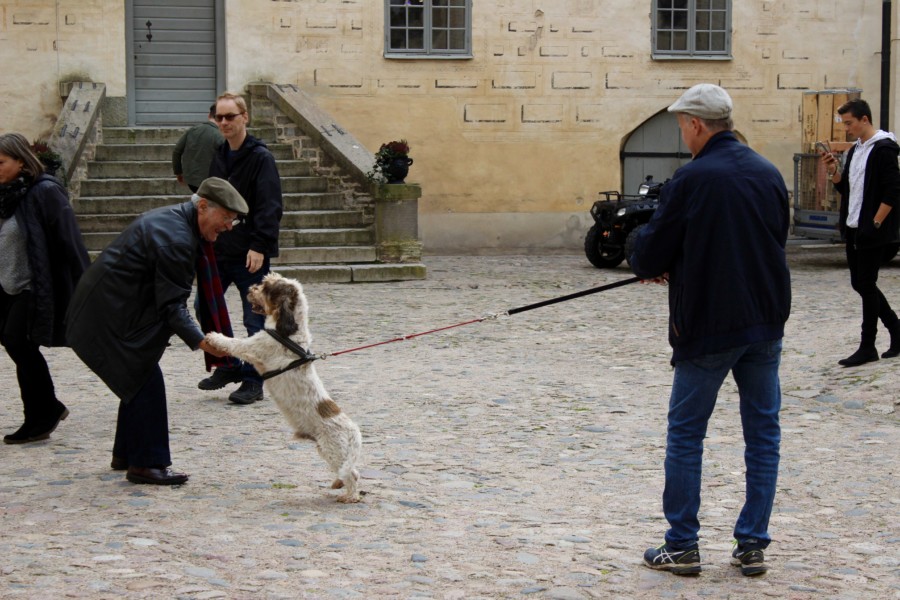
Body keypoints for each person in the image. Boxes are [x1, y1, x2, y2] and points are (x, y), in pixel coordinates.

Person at [630, 84, 791, 577]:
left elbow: (650, 252)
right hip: (765, 320)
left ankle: (682, 544)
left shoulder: (693, 178)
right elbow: (770, 239)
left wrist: (657, 260)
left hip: (708, 326)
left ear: (697, 125)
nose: (683, 133)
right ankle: (752, 544)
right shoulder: (768, 172)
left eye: (683, 125)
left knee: (686, 434)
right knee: (762, 434)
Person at [66, 178, 247, 485]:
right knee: (145, 377)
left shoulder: (177, 221)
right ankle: (147, 464)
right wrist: (204, 342)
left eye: (234, 220)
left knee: (138, 375)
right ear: (203, 206)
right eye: (227, 218)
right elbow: (172, 306)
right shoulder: (176, 239)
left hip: (106, 310)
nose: (229, 226)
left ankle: (127, 454)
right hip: (107, 316)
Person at [0, 133, 90, 444]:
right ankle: (46, 408)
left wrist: (87, 288)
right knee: (17, 345)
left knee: (19, 342)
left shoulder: (45, 192)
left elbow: (71, 242)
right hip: (7, 286)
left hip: (35, 285)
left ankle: (41, 415)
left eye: (0, 162)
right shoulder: (5, 195)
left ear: (21, 161)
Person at [197, 91, 283, 405]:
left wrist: (260, 245)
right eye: (218, 117)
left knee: (254, 318)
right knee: (205, 308)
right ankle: (228, 364)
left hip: (250, 250)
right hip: (219, 248)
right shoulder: (219, 153)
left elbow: (270, 205)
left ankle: (252, 378)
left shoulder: (261, 157)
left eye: (230, 116)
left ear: (244, 117)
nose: (224, 122)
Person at [821, 98, 900, 366]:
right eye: (844, 124)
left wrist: (876, 223)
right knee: (860, 283)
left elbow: (893, 191)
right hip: (854, 226)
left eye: (849, 123)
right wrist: (833, 171)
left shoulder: (884, 149)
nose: (846, 129)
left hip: (871, 229)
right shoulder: (855, 150)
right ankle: (897, 330)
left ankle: (868, 346)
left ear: (864, 120)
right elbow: (847, 190)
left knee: (865, 284)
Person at [172, 104, 225, 193]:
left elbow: (177, 152)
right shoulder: (220, 136)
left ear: (209, 115)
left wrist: (178, 172)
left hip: (192, 181)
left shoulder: (192, 130)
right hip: (212, 182)